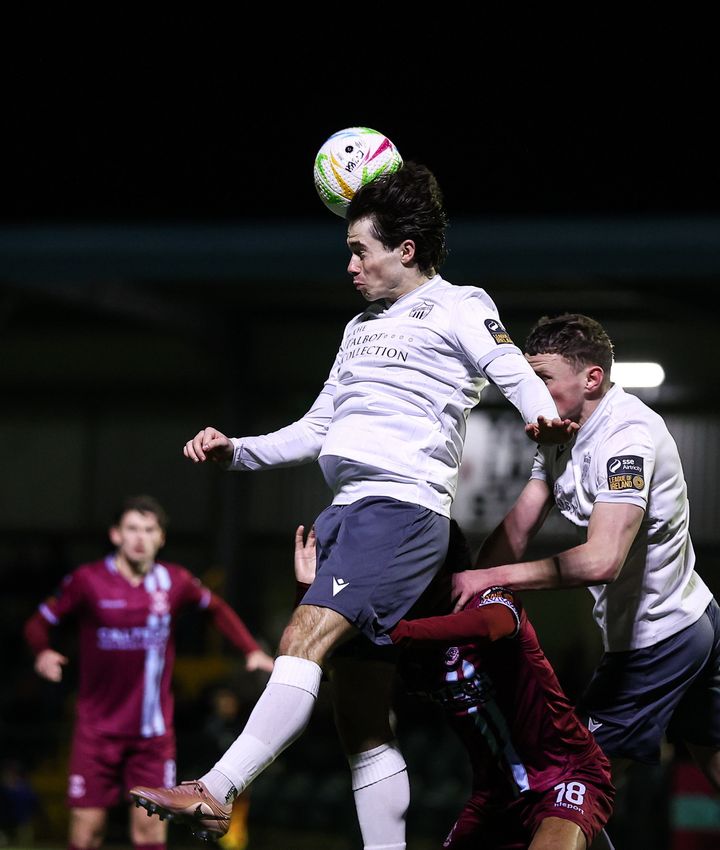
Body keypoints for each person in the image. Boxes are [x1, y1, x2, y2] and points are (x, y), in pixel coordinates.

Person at [129, 162, 576, 848]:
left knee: (300, 638)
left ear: (405, 250)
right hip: (355, 515)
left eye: (359, 250)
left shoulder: (460, 304)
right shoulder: (357, 329)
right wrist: (237, 451)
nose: (349, 265)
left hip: (400, 512)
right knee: (360, 716)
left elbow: (510, 370)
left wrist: (543, 418)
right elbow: (316, 428)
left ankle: (215, 791)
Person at [451, 313, 720, 792]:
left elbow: (602, 560)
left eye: (542, 380)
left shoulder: (627, 438)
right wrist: (461, 595)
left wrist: (487, 581)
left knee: (574, 786)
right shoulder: (558, 432)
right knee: (712, 758)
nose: (529, 394)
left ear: (592, 378)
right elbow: (519, 525)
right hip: (688, 617)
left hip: (661, 636)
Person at [295, 519, 615, 850]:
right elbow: (334, 666)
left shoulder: (490, 601)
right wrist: (308, 592)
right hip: (495, 798)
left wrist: (396, 632)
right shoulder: (407, 644)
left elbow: (491, 626)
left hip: (565, 776)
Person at [23, 494, 274, 850]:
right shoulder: (87, 581)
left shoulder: (175, 582)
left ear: (161, 538)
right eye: (132, 529)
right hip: (96, 733)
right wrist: (43, 652)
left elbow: (216, 608)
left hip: (152, 738)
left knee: (149, 834)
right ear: (116, 535)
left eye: (149, 530)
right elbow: (37, 623)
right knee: (85, 832)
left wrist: (251, 650)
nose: (140, 537)